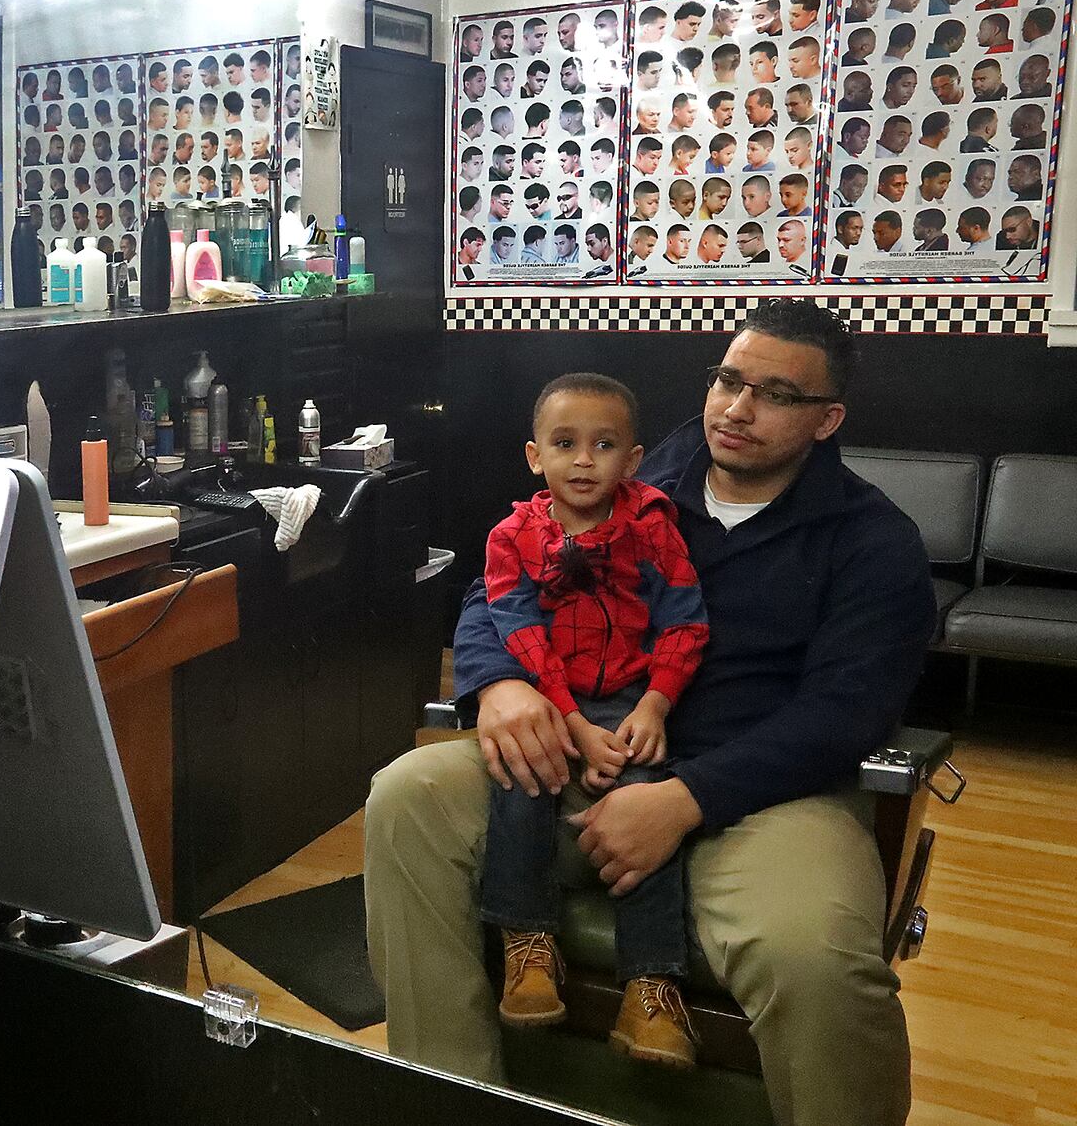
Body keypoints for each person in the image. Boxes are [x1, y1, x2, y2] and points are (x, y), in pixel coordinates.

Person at [364, 300, 933, 1126]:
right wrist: (498, 685)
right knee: (405, 799)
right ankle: (450, 1097)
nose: (737, 410)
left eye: (774, 394)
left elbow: (846, 715)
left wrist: (682, 798)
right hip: (582, 749)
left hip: (762, 797)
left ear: (826, 420)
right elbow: (495, 587)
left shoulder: (872, 542)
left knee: (816, 960)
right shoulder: (639, 477)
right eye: (729, 381)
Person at [480, 375, 710, 1060]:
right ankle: (527, 942)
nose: (584, 460)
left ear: (633, 461)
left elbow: (685, 623)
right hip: (548, 695)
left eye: (603, 445)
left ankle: (652, 988)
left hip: (633, 701)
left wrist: (655, 705)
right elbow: (518, 631)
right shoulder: (513, 537)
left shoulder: (653, 527)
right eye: (565, 443)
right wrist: (571, 725)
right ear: (534, 456)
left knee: (644, 809)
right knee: (523, 780)